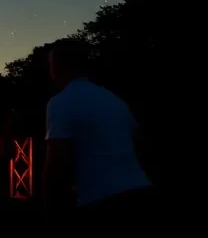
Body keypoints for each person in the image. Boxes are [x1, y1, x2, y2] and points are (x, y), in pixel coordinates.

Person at [43, 38, 153, 223]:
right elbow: (140, 144)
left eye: (50, 65)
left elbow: (56, 164)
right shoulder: (113, 99)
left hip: (102, 201)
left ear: (59, 66)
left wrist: (50, 211)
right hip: (141, 192)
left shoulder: (61, 102)